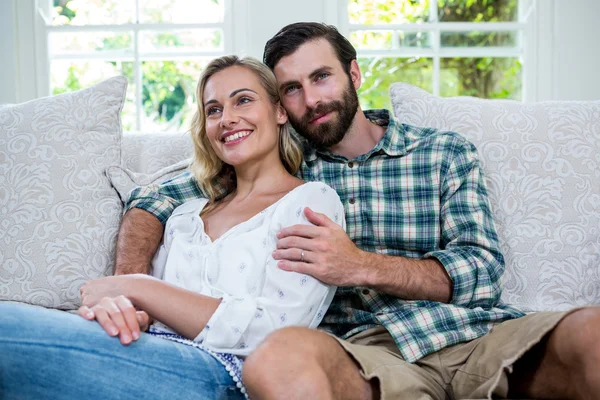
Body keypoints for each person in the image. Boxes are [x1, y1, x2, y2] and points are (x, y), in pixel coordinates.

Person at [104, 23, 600, 400]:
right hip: (360, 355)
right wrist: (130, 289)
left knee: (592, 332)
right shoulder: (279, 165)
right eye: (292, 88)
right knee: (276, 360)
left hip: (474, 336)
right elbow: (155, 198)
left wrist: (358, 265)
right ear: (280, 106)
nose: (312, 99)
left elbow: (482, 271)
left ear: (354, 73)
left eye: (321, 77)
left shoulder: (443, 152)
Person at [0, 55, 345, 399]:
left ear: (279, 111)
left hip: (226, 374)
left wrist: (139, 287)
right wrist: (120, 311)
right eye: (213, 110)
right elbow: (146, 314)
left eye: (243, 100)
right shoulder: (186, 215)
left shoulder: (310, 201)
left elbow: (275, 331)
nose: (227, 119)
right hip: (147, 354)